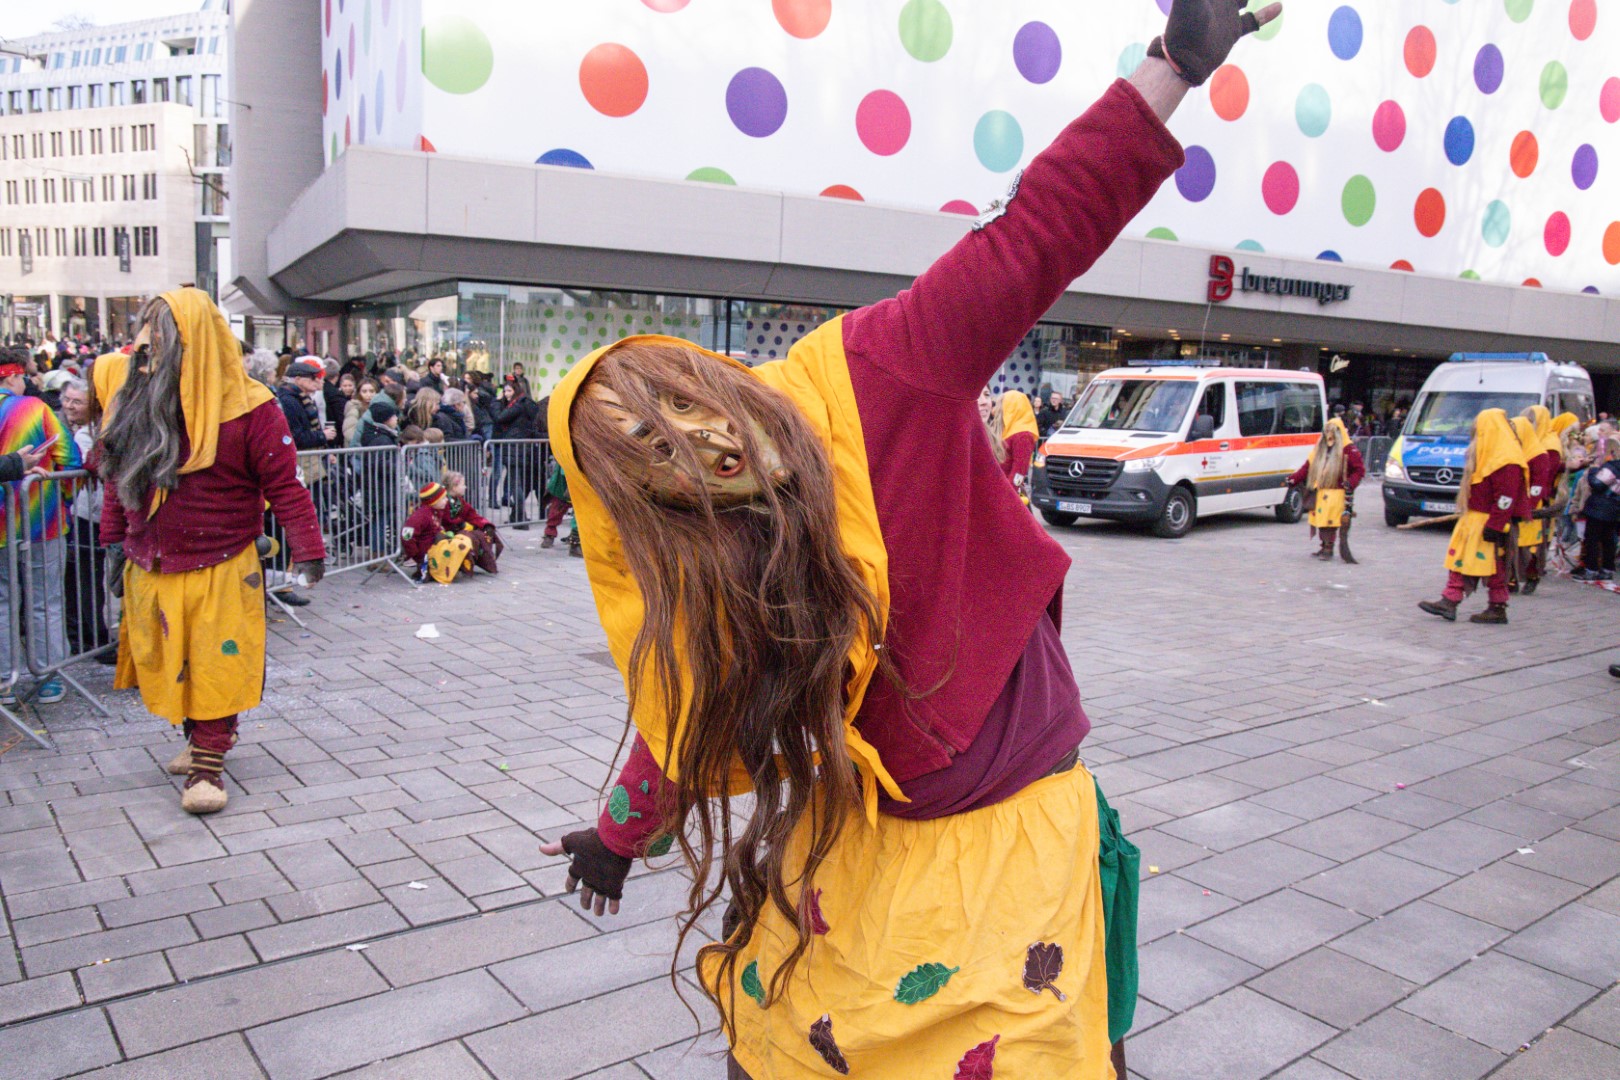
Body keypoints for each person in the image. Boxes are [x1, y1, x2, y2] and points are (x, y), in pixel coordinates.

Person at [534, 6, 1280, 1074]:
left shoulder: (880, 367)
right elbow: (693, 707)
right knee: (784, 1049)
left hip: (999, 837)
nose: (701, 450)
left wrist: (1172, 68)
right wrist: (617, 837)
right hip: (865, 849)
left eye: (684, 410)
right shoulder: (731, 536)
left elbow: (1037, 232)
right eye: (655, 454)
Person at [97, 289, 325, 815]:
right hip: (151, 560)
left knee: (217, 664)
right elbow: (115, 475)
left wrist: (308, 548)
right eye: (146, 332)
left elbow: (285, 484)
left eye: (161, 333)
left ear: (194, 339)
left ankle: (208, 764)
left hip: (222, 560)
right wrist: (113, 540)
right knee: (169, 663)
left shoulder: (251, 405)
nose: (147, 345)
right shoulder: (136, 398)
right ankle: (201, 737)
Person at [0, 348, 82, 706]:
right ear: (12, 376)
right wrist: (63, 498)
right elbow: (70, 459)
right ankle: (48, 679)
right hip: (40, 521)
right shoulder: (33, 408)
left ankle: (4, 682)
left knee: (2, 601)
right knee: (45, 600)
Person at [1419, 409, 1529, 624]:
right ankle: (1451, 601)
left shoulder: (1506, 460)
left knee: (1493, 566)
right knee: (1463, 561)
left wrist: (1496, 524)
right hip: (1474, 521)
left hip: (1488, 521)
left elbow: (1506, 497)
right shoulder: (1491, 454)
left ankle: (1492, 607)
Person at [58, 377, 113, 663]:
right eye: (67, 399)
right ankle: (87, 637)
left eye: (77, 401)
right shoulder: (71, 429)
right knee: (82, 579)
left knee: (88, 578)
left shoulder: (94, 430)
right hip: (80, 516)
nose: (69, 405)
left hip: (92, 515)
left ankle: (91, 636)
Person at [1285, 417, 1365, 561]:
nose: (1329, 436)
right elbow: (1307, 467)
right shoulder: (1320, 448)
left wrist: (1350, 483)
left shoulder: (1349, 449)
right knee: (1320, 519)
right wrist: (1293, 478)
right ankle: (1324, 546)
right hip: (1321, 490)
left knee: (1330, 521)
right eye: (1327, 432)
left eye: (1332, 432)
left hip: (1337, 491)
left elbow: (1359, 470)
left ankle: (1329, 548)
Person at [1511, 407, 1564, 595]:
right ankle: (1511, 579)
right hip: (1517, 502)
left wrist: (1531, 505)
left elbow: (1542, 481)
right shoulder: (1524, 444)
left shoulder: (1546, 448)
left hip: (1534, 503)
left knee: (1529, 545)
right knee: (1512, 543)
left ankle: (1531, 576)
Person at [400, 481, 475, 583]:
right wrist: (417, 556)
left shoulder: (435, 511)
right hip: (426, 550)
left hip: (435, 544)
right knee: (459, 545)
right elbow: (407, 536)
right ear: (433, 500)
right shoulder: (421, 515)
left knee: (465, 539)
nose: (447, 500)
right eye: (443, 498)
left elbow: (435, 528)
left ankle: (453, 568)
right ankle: (441, 570)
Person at [1574, 436, 1620, 582]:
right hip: (1614, 508)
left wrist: (1593, 470)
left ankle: (1591, 569)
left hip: (1600, 508)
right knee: (1608, 540)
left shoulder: (1612, 466)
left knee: (1592, 539)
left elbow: (1597, 483)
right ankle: (1607, 569)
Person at [443, 469, 503, 572]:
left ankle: (486, 559)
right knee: (473, 537)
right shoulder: (445, 501)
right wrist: (462, 524)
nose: (465, 487)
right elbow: (446, 520)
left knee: (487, 531)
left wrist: (484, 524)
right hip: (449, 531)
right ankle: (466, 563)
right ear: (454, 487)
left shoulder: (459, 500)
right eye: (463, 485)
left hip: (461, 528)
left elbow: (471, 514)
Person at [997, 389, 1040, 495]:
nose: (998, 409)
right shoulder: (1011, 429)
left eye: (1002, 405)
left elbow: (1019, 470)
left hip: (1006, 492)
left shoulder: (1023, 436)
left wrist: (1008, 493)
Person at [540, 458, 580, 556]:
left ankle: (576, 537)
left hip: (582, 475)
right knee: (557, 507)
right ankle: (549, 534)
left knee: (580, 511)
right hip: (565, 478)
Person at [345, 377, 380, 446]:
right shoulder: (354, 408)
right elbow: (349, 431)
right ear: (359, 393)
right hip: (359, 448)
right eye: (364, 391)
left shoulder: (379, 407)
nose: (368, 395)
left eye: (372, 391)